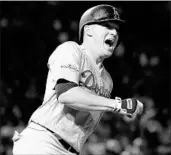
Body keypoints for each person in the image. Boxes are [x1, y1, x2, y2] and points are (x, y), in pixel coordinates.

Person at [12, 4, 143, 155]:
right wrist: (118, 104)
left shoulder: (107, 81)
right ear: (88, 30)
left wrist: (122, 114)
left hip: (71, 151)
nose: (114, 32)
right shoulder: (71, 50)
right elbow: (66, 94)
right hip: (44, 142)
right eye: (107, 25)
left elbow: (85, 117)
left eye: (116, 29)